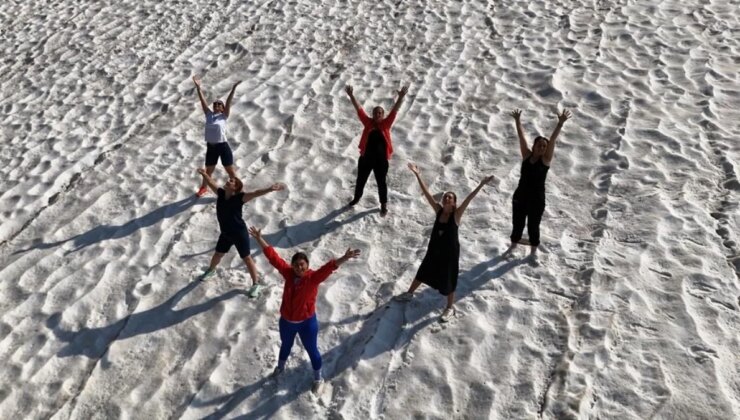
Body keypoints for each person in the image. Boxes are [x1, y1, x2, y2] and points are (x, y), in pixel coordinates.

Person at [248, 226, 361, 393]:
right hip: (286, 321)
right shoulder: (288, 273)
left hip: (307, 323)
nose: (299, 268)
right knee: (285, 345)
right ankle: (280, 367)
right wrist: (259, 239)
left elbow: (329, 267)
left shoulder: (313, 278)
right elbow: (273, 258)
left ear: (307, 265)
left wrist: (344, 258)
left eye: (302, 265)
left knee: (312, 350)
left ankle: (318, 378)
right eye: (296, 265)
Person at [394, 163, 494, 322]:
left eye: (450, 197)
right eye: (445, 196)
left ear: (454, 202)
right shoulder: (438, 210)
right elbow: (426, 193)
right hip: (434, 249)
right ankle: (409, 293)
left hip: (450, 253)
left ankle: (449, 307)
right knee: (424, 270)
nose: (447, 198)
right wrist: (417, 175)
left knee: (449, 279)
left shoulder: (457, 215)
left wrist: (481, 184)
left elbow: (469, 198)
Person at [197, 168, 284, 297]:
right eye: (229, 180)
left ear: (236, 188)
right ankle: (211, 270)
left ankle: (256, 284)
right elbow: (211, 182)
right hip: (225, 233)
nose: (228, 181)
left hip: (239, 233)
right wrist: (204, 174)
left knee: (247, 258)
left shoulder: (239, 198)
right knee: (218, 254)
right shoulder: (221, 193)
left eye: (232, 181)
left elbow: (255, 193)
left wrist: (270, 189)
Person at [503, 109, 571, 262]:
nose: (542, 147)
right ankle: (513, 246)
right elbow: (521, 138)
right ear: (533, 146)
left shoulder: (545, 161)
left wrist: (559, 124)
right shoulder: (526, 156)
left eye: (544, 146)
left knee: (534, 225)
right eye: (539, 145)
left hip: (537, 199)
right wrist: (517, 121)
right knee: (517, 222)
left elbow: (552, 141)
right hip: (520, 196)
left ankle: (533, 252)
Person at [344, 84, 409, 216]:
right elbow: (359, 109)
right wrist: (351, 95)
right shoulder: (368, 122)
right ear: (372, 114)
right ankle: (357, 198)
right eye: (375, 112)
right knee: (360, 180)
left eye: (380, 113)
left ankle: (383, 204)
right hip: (366, 159)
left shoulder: (386, 124)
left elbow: (395, 111)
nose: (378, 114)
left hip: (381, 161)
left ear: (383, 115)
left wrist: (401, 97)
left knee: (381, 183)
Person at [193, 76, 242, 197]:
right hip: (211, 147)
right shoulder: (208, 114)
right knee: (208, 171)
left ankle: (236, 189)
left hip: (223, 146)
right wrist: (198, 88)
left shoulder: (224, 116)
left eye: (219, 104)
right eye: (215, 104)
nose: (216, 105)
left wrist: (233, 88)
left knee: (230, 171)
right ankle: (203, 188)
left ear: (223, 108)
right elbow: (202, 101)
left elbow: (229, 101)